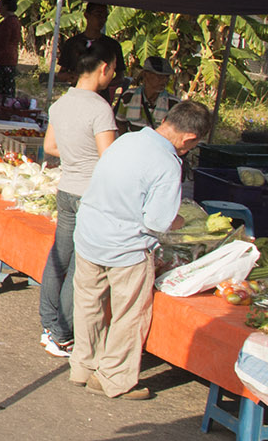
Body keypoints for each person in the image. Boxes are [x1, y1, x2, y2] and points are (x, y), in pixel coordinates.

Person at [70, 101, 211, 400]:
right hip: (126, 247)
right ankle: (113, 379)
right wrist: (179, 220)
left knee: (88, 303)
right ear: (188, 139)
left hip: (89, 234)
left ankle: (83, 364)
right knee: (129, 314)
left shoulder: (128, 139)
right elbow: (157, 220)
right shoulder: (168, 163)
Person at [39, 37, 119, 359]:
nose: (112, 75)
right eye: (113, 70)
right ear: (103, 69)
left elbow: (50, 147)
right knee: (78, 266)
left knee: (58, 258)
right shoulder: (101, 109)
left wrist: (76, 156)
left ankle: (48, 325)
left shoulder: (60, 104)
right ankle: (62, 334)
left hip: (67, 188)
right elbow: (110, 160)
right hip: (90, 196)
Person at [57, 2, 125, 96]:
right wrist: (74, 77)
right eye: (98, 15)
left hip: (101, 97)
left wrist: (100, 84)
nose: (102, 19)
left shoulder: (112, 45)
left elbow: (120, 77)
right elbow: (61, 74)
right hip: (77, 95)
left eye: (105, 16)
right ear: (86, 15)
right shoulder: (72, 43)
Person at [114, 55, 180, 133]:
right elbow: (120, 123)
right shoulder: (128, 96)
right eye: (159, 76)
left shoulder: (174, 103)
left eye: (166, 77)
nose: (164, 81)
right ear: (145, 75)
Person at [0, 0, 23, 100]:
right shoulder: (14, 22)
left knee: (0, 94)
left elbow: (2, 43)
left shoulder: (8, 23)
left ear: (5, 6)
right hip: (8, 61)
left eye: (1, 6)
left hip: (2, 62)